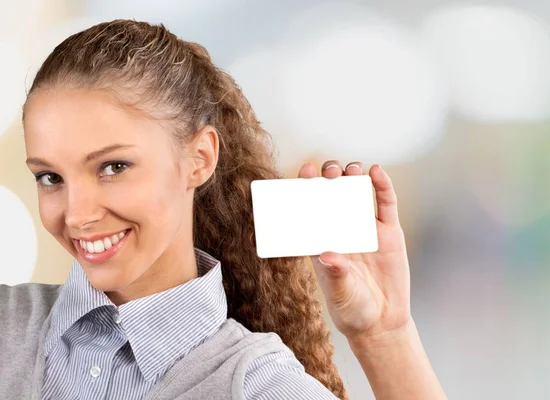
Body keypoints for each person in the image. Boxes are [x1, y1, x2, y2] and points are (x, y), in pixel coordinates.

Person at [0, 19, 447, 399]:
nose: (76, 215)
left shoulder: (256, 385)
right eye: (50, 177)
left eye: (113, 167)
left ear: (200, 159)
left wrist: (386, 336)